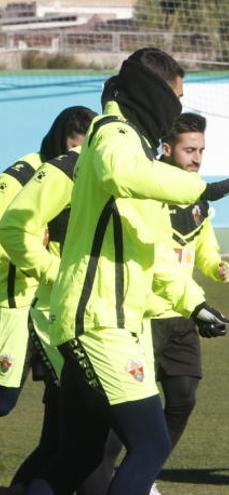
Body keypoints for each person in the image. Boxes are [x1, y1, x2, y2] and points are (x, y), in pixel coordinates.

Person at [25, 47, 229, 495]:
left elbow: (151, 246)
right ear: (153, 96)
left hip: (106, 321)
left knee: (78, 454)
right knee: (150, 445)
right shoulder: (113, 134)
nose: (177, 109)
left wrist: (195, 304)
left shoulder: (139, 152)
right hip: (99, 323)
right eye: (176, 96)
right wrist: (200, 188)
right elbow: (119, 170)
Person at [0, 106, 95, 418]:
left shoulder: (82, 177)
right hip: (10, 305)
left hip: (48, 307)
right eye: (72, 148)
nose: (76, 158)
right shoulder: (20, 177)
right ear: (59, 140)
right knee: (5, 399)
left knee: (66, 396)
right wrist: (31, 246)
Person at [150, 111, 229, 456]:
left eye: (201, 151)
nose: (197, 158)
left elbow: (204, 246)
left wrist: (216, 266)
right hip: (145, 314)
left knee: (183, 398)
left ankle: (142, 474)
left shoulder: (199, 196)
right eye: (189, 150)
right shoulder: (147, 190)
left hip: (184, 313)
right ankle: (111, 476)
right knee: (132, 411)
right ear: (167, 148)